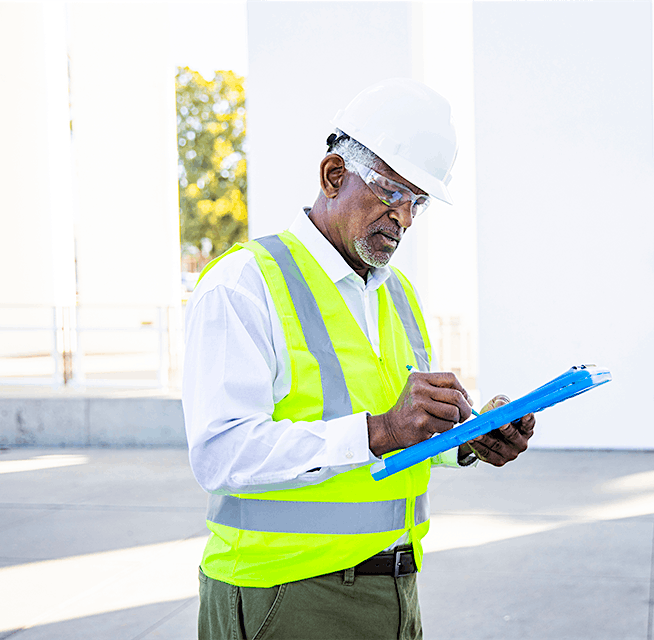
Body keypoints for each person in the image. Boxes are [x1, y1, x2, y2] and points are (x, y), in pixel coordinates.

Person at [183, 78, 536, 640]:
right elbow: (221, 454)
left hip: (394, 591)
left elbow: (396, 442)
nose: (405, 218)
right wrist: (379, 430)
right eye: (393, 192)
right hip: (282, 595)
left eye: (418, 201)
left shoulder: (398, 296)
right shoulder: (244, 284)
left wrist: (463, 440)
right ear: (333, 175)